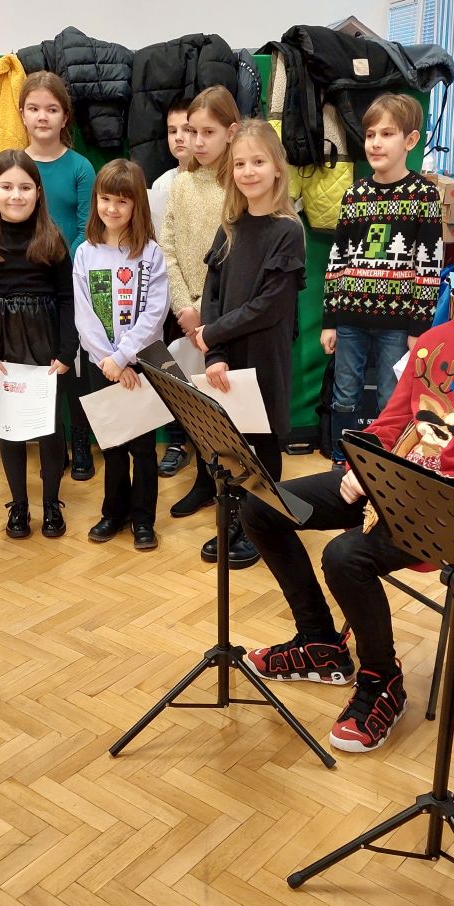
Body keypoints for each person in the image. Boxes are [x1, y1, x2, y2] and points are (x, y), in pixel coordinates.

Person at [241, 195, 454, 753]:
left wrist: (430, 491)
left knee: (345, 556)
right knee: (260, 505)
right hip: (394, 489)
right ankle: (321, 642)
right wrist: (362, 466)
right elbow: (390, 424)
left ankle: (381, 681)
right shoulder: (438, 340)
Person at [192, 119, 305, 569]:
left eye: (258, 161)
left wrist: (212, 335)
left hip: (264, 356)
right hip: (228, 355)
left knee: (262, 440)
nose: (248, 171)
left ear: (277, 167)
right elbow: (213, 293)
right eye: (240, 163)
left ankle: (263, 524)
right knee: (232, 441)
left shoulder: (288, 230)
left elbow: (269, 307)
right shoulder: (230, 226)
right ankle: (238, 518)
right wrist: (216, 352)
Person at [0, 149, 76, 540]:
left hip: (45, 344)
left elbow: (67, 299)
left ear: (38, 192)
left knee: (49, 428)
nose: (16, 195)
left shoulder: (53, 239)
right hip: (1, 347)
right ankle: (19, 506)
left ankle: (51, 504)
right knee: (9, 429)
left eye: (25, 187)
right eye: (7, 187)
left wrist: (66, 350)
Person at [322, 93, 443, 463]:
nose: (375, 142)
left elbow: (428, 266)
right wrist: (329, 320)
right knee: (345, 395)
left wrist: (418, 327)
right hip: (350, 319)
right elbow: (337, 259)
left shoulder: (424, 195)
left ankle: (385, 465)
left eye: (387, 134)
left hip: (397, 324)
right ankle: (341, 460)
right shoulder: (354, 195)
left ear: (410, 140)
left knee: (391, 399)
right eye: (370, 134)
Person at [73, 159, 169, 551]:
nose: (112, 208)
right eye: (105, 199)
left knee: (143, 449)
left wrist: (125, 357)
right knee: (112, 445)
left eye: (122, 201)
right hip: (102, 365)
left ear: (136, 206)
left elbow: (155, 313)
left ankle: (143, 519)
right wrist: (109, 361)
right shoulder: (85, 253)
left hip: (143, 363)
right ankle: (113, 513)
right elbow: (84, 316)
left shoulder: (151, 254)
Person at [160, 85, 241, 518]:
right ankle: (205, 481)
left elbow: (232, 256)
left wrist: (206, 312)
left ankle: (237, 492)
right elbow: (169, 247)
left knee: (231, 407)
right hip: (191, 316)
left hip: (227, 317)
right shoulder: (182, 184)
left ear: (231, 132)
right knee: (199, 406)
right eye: (192, 132)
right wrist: (184, 307)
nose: (197, 141)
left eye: (208, 132)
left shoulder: (239, 185)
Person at [20, 70, 97, 482]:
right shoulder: (15, 165)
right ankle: (53, 442)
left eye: (51, 109)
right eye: (34, 108)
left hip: (71, 284)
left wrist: (63, 268)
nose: (42, 117)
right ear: (22, 114)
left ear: (65, 116)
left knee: (74, 369)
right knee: (38, 368)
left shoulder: (80, 167)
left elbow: (87, 228)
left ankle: (81, 441)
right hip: (27, 286)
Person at [148, 96, 194, 479]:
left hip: (207, 297)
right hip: (171, 296)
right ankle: (178, 441)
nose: (180, 138)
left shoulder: (220, 180)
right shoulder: (162, 184)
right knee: (173, 367)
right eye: (172, 130)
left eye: (188, 130)